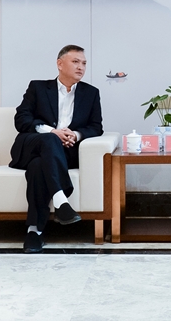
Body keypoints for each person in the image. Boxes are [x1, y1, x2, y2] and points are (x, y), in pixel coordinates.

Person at [10, 45, 103, 253]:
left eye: (84, 63)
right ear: (60, 64)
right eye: (75, 62)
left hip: (64, 153)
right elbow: (21, 119)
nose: (81, 67)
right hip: (32, 146)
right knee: (50, 139)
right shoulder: (38, 88)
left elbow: (96, 127)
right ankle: (61, 200)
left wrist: (75, 135)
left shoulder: (91, 93)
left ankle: (34, 231)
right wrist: (52, 131)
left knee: (37, 167)